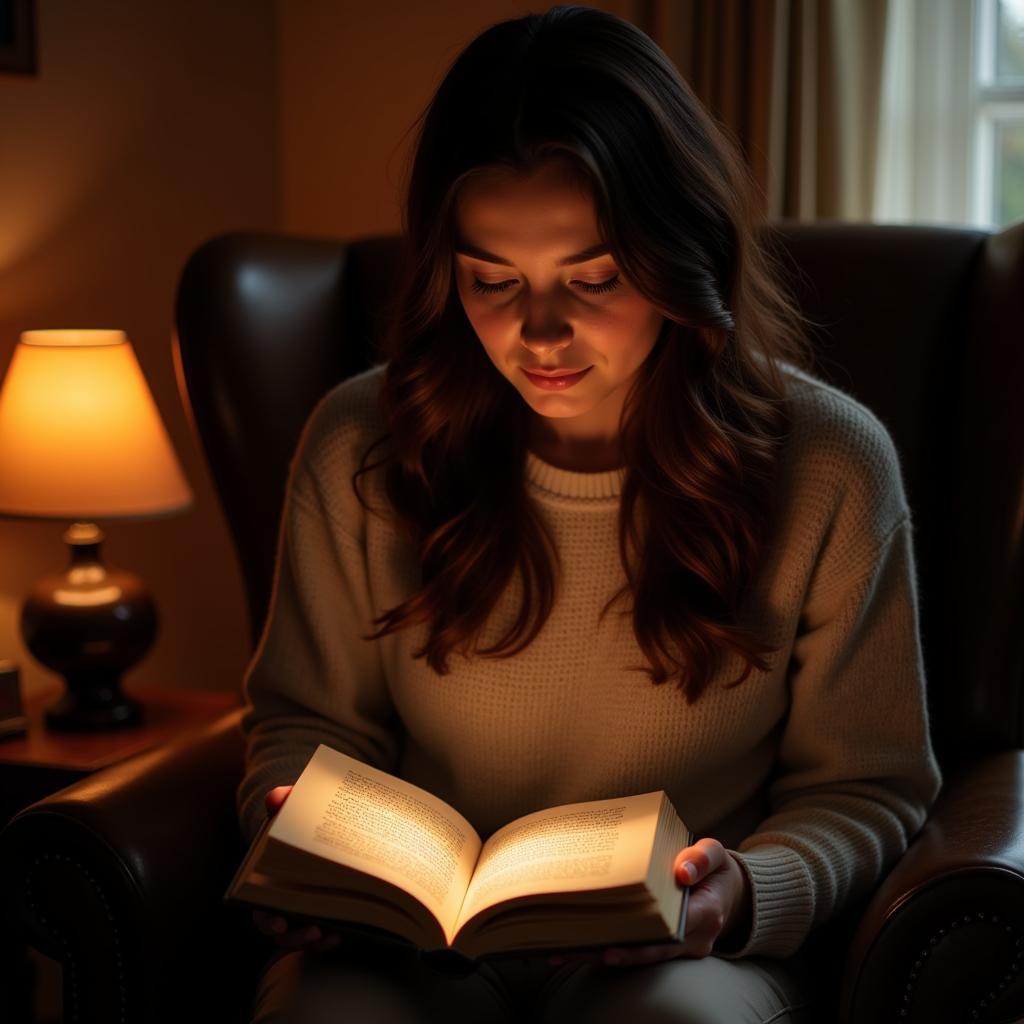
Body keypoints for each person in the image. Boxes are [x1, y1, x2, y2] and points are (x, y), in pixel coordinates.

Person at [237, 5, 943, 1022]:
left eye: (595, 276)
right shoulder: (363, 444)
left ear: (677, 254)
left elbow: (870, 785)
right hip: (409, 952)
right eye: (490, 279)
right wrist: (294, 845)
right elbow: (303, 722)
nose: (537, 333)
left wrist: (744, 889)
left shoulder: (826, 465)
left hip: (678, 955)